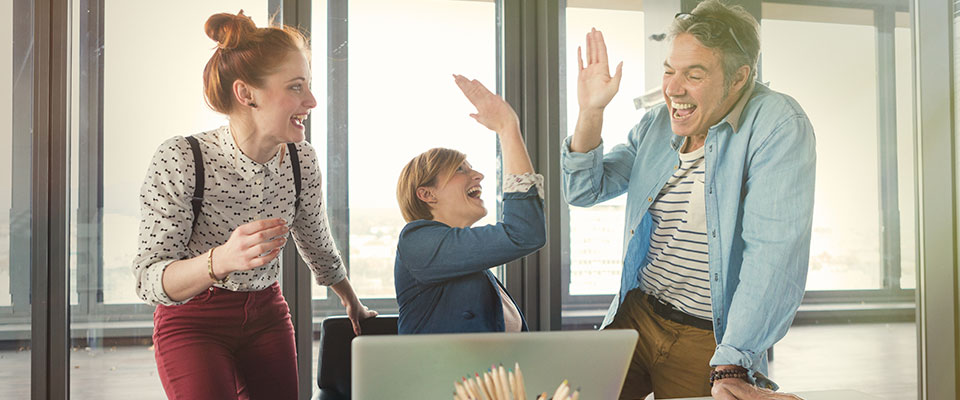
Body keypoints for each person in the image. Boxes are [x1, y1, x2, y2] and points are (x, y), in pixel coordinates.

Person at [561, 1, 815, 399]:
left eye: (694, 75)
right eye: (669, 71)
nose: (673, 89)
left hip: (707, 337)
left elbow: (774, 254)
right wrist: (590, 110)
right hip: (637, 315)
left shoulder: (777, 124)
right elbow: (584, 189)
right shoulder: (658, 122)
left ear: (738, 78)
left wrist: (733, 361)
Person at [132, 11, 376, 400]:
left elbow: (316, 240)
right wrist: (222, 259)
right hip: (193, 322)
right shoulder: (182, 158)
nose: (311, 100)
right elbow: (149, 279)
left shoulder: (301, 160)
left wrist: (352, 301)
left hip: (266, 314)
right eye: (296, 87)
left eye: (309, 86)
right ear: (247, 94)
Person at [393, 75, 546, 334]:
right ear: (427, 194)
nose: (478, 175)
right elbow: (524, 232)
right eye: (460, 170)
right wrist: (508, 129)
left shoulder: (476, 268)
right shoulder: (417, 242)